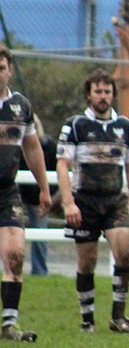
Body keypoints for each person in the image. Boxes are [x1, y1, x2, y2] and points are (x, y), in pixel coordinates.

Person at [57, 69, 129, 334]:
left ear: (113, 94)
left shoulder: (125, 127)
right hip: (84, 202)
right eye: (98, 91)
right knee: (87, 261)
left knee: (124, 253)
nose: (103, 96)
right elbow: (62, 164)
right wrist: (69, 202)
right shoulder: (76, 125)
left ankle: (118, 318)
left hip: (115, 201)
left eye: (107, 91)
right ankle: (87, 320)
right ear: (88, 94)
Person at [0, 48, 52, 342]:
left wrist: (44, 188)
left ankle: (9, 325)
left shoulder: (21, 107)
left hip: (7, 192)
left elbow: (32, 149)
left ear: (9, 70)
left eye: (1, 67)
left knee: (16, 254)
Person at [19, 115, 58, 277]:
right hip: (18, 193)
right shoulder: (16, 145)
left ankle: (39, 270)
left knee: (40, 233)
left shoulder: (48, 146)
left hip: (38, 196)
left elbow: (58, 169)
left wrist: (53, 194)